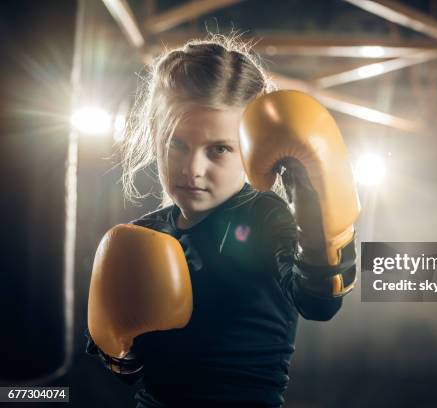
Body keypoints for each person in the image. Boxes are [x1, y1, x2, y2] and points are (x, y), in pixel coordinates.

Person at [85, 34, 358, 408]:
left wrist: (313, 211)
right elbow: (126, 371)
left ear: (250, 149)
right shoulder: (141, 236)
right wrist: (119, 352)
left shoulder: (263, 216)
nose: (193, 169)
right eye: (176, 144)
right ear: (154, 136)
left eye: (219, 149)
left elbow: (319, 304)